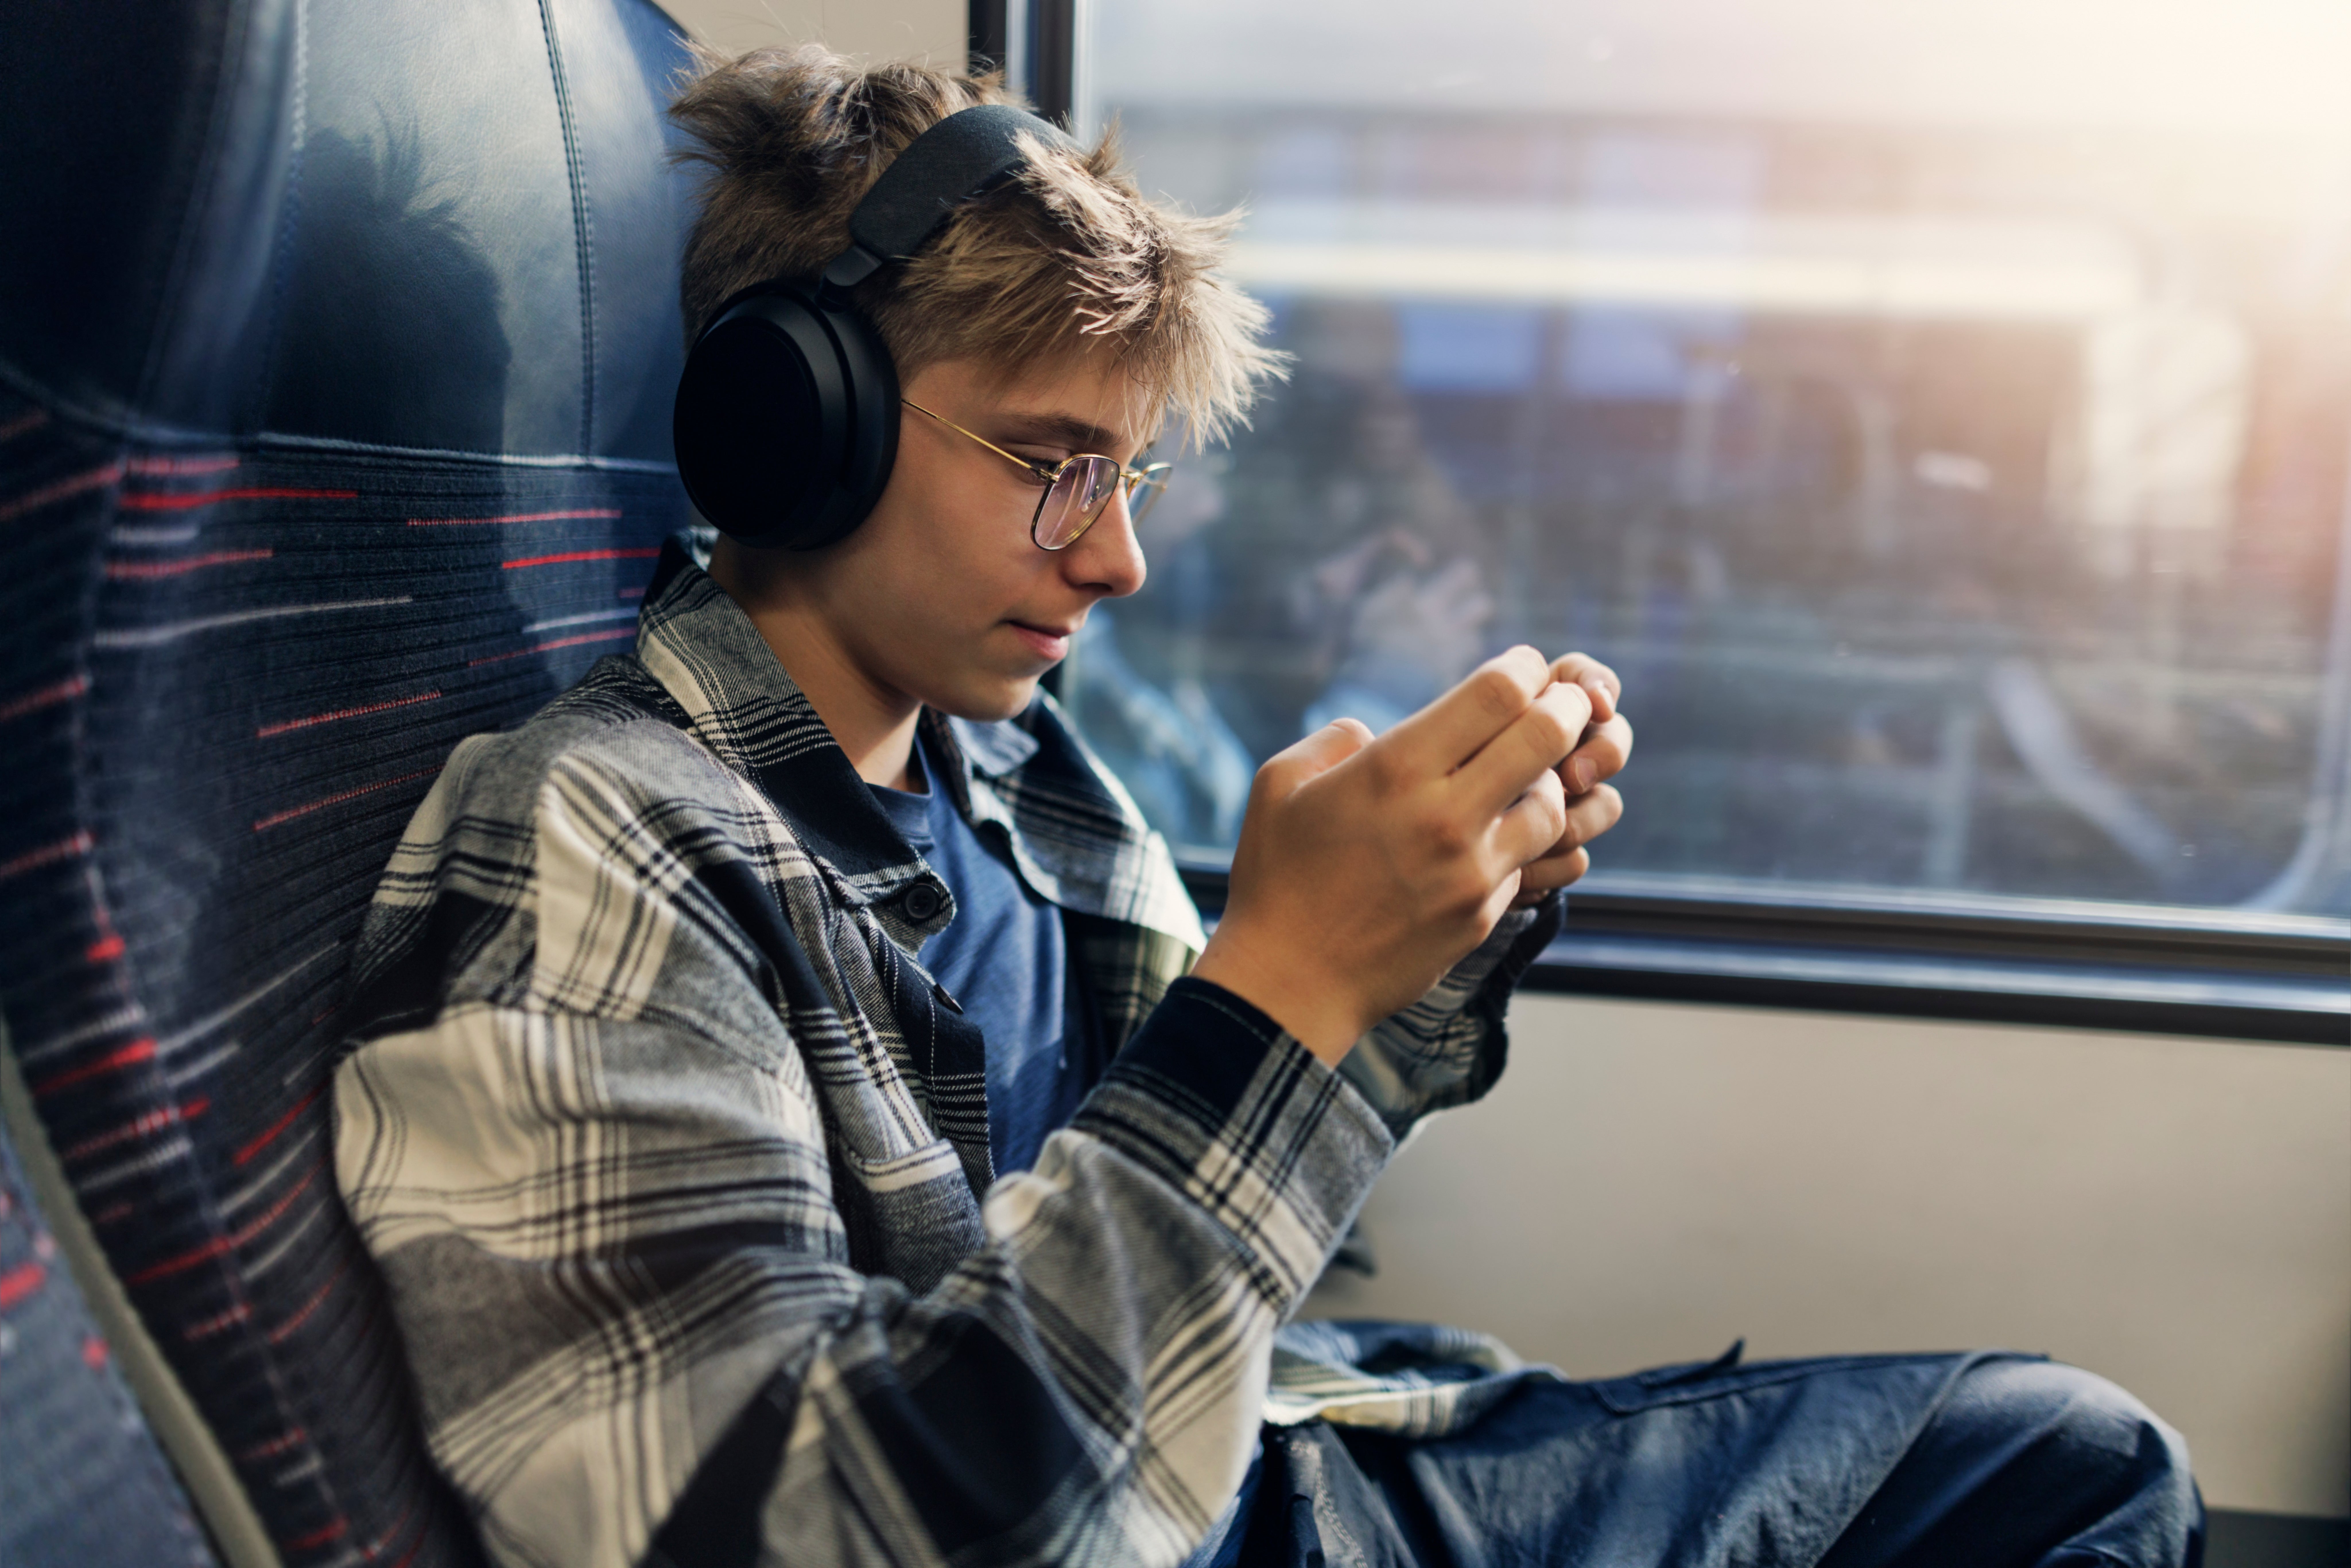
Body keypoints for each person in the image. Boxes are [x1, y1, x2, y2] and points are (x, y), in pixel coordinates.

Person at [330, 46, 2203, 1568]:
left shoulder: (1004, 773)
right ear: (792, 422)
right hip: (1171, 1518)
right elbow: (830, 1531)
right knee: (2077, 1475)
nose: (1125, 555)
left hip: (1268, 1445)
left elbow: (1239, 1187)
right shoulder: (599, 842)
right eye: (1059, 467)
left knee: (2048, 1456)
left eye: (1132, 473)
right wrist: (1287, 987)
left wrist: (1421, 940)